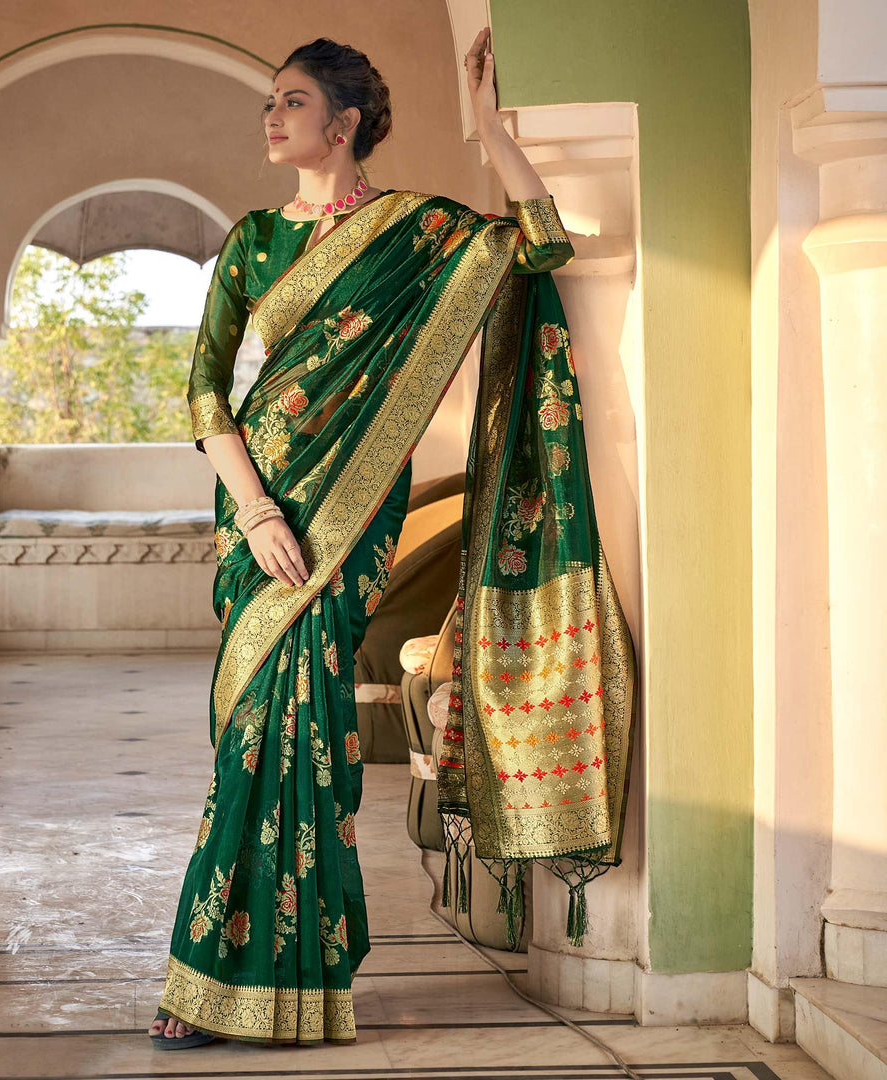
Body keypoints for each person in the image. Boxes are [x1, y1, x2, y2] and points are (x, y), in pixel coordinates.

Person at [148, 26, 599, 1049]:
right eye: (270, 101)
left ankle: (288, 980)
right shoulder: (252, 241)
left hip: (352, 513)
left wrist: (488, 129)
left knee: (306, 735)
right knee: (252, 734)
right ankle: (224, 973)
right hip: (260, 512)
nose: (271, 116)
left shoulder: (416, 230)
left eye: (292, 101)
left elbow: (541, 243)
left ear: (344, 122)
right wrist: (257, 510)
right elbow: (206, 392)